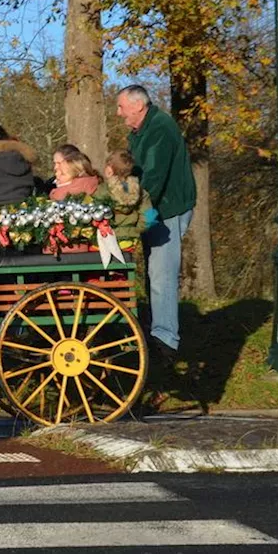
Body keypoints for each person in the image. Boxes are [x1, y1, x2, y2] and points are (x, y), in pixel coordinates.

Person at [116, 85, 195, 363]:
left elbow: (153, 177)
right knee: (154, 272)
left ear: (138, 106)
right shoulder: (140, 132)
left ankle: (166, 340)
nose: (119, 112)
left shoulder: (160, 129)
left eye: (121, 106)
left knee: (162, 273)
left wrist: (133, 209)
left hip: (168, 208)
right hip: (155, 207)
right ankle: (157, 330)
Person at [94, 150, 156, 253]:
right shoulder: (140, 191)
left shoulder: (103, 190)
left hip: (106, 239)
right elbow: (149, 216)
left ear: (109, 170)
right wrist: (137, 230)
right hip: (129, 241)